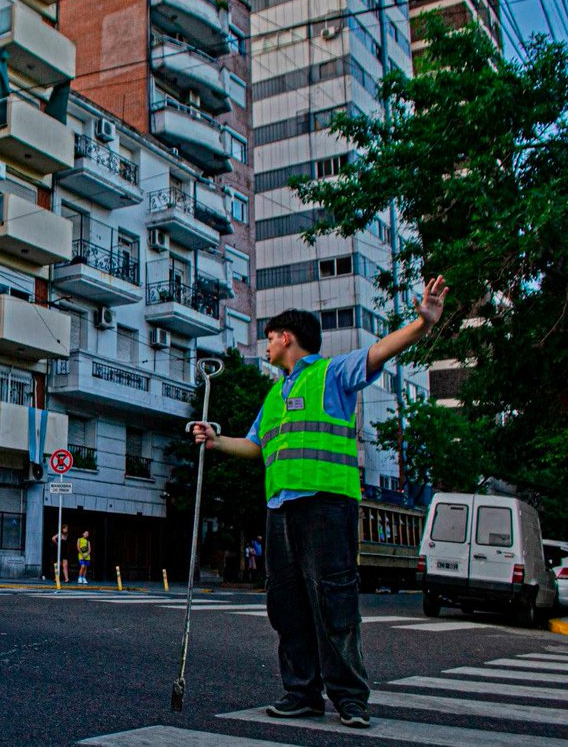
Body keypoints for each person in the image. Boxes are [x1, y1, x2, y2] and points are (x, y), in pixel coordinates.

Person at [192, 276, 448, 730]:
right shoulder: (274, 394)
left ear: (285, 337)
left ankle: (350, 699)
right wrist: (216, 440)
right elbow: (257, 447)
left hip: (327, 506)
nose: (265, 346)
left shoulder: (331, 373)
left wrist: (421, 324)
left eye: (268, 338)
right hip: (280, 510)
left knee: (333, 601)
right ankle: (302, 694)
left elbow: (378, 353)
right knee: (285, 604)